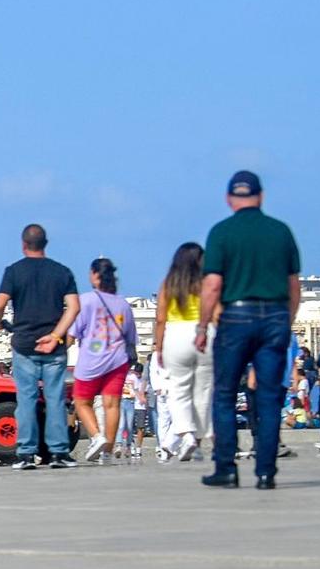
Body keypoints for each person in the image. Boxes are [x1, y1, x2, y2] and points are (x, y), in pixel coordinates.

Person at [198, 170, 301, 489]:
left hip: (236, 317)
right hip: (274, 316)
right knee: (269, 397)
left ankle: (226, 467)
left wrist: (202, 325)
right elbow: (293, 285)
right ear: (261, 196)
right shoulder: (280, 231)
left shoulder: (221, 232)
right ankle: (266, 472)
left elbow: (213, 284)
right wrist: (288, 318)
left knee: (226, 394)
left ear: (230, 199)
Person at [0, 223, 80, 470]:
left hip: (24, 344)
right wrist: (56, 335)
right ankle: (59, 452)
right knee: (55, 400)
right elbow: (74, 307)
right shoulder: (62, 272)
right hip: (54, 347)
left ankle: (26, 453)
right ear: (45, 244)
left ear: (23, 244)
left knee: (26, 400)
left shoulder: (14, 272)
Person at [68, 258, 136, 465]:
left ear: (96, 275)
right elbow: (130, 338)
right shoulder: (123, 304)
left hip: (91, 360)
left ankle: (97, 436)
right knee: (112, 404)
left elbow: (73, 333)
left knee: (81, 401)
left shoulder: (86, 300)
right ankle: (107, 451)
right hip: (117, 360)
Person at [150, 242, 211, 462]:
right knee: (203, 393)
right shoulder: (206, 283)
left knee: (179, 391)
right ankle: (198, 442)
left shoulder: (168, 284)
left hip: (176, 335)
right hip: (204, 333)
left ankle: (187, 437)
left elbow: (160, 319)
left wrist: (159, 346)